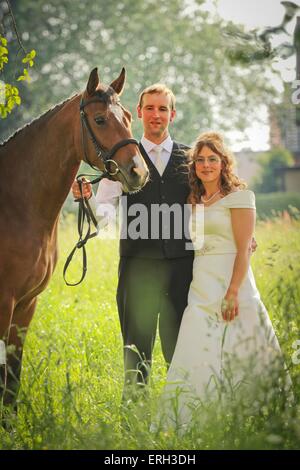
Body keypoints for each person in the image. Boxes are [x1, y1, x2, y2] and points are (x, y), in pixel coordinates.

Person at [157, 131, 292, 430]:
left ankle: (256, 418)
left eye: (212, 159)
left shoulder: (240, 197)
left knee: (241, 348)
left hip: (234, 284)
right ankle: (193, 420)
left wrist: (232, 292)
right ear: (193, 166)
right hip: (201, 287)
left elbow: (244, 247)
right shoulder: (193, 200)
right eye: (201, 160)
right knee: (195, 351)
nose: (206, 165)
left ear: (223, 163)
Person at [72, 84, 194, 399]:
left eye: (163, 108)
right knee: (136, 356)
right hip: (136, 270)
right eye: (150, 108)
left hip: (183, 270)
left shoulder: (192, 158)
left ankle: (181, 420)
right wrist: (87, 200)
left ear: (172, 114)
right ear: (138, 113)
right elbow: (105, 216)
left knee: (181, 354)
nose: (156, 115)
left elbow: (210, 209)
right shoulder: (122, 158)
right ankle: (134, 421)